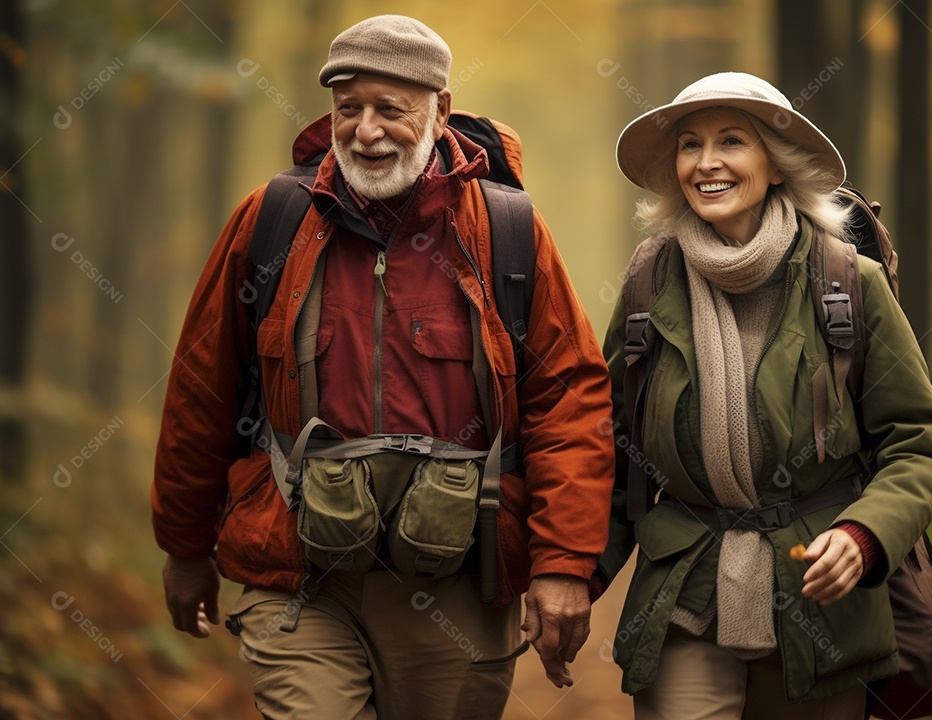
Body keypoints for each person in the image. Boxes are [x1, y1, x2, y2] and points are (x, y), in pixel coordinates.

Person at [151, 14, 614, 720]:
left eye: (390, 110)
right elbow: (200, 390)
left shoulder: (507, 230)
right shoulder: (273, 218)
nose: (366, 130)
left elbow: (568, 401)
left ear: (439, 112)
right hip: (300, 575)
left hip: (457, 580)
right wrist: (184, 546)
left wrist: (562, 563)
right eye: (348, 110)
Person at [595, 72, 932, 718]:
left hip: (821, 609)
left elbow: (918, 445)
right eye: (689, 145)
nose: (707, 163)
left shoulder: (850, 282)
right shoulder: (649, 283)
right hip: (686, 591)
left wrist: (865, 536)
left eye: (732, 141)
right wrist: (568, 579)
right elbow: (612, 454)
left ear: (776, 164)